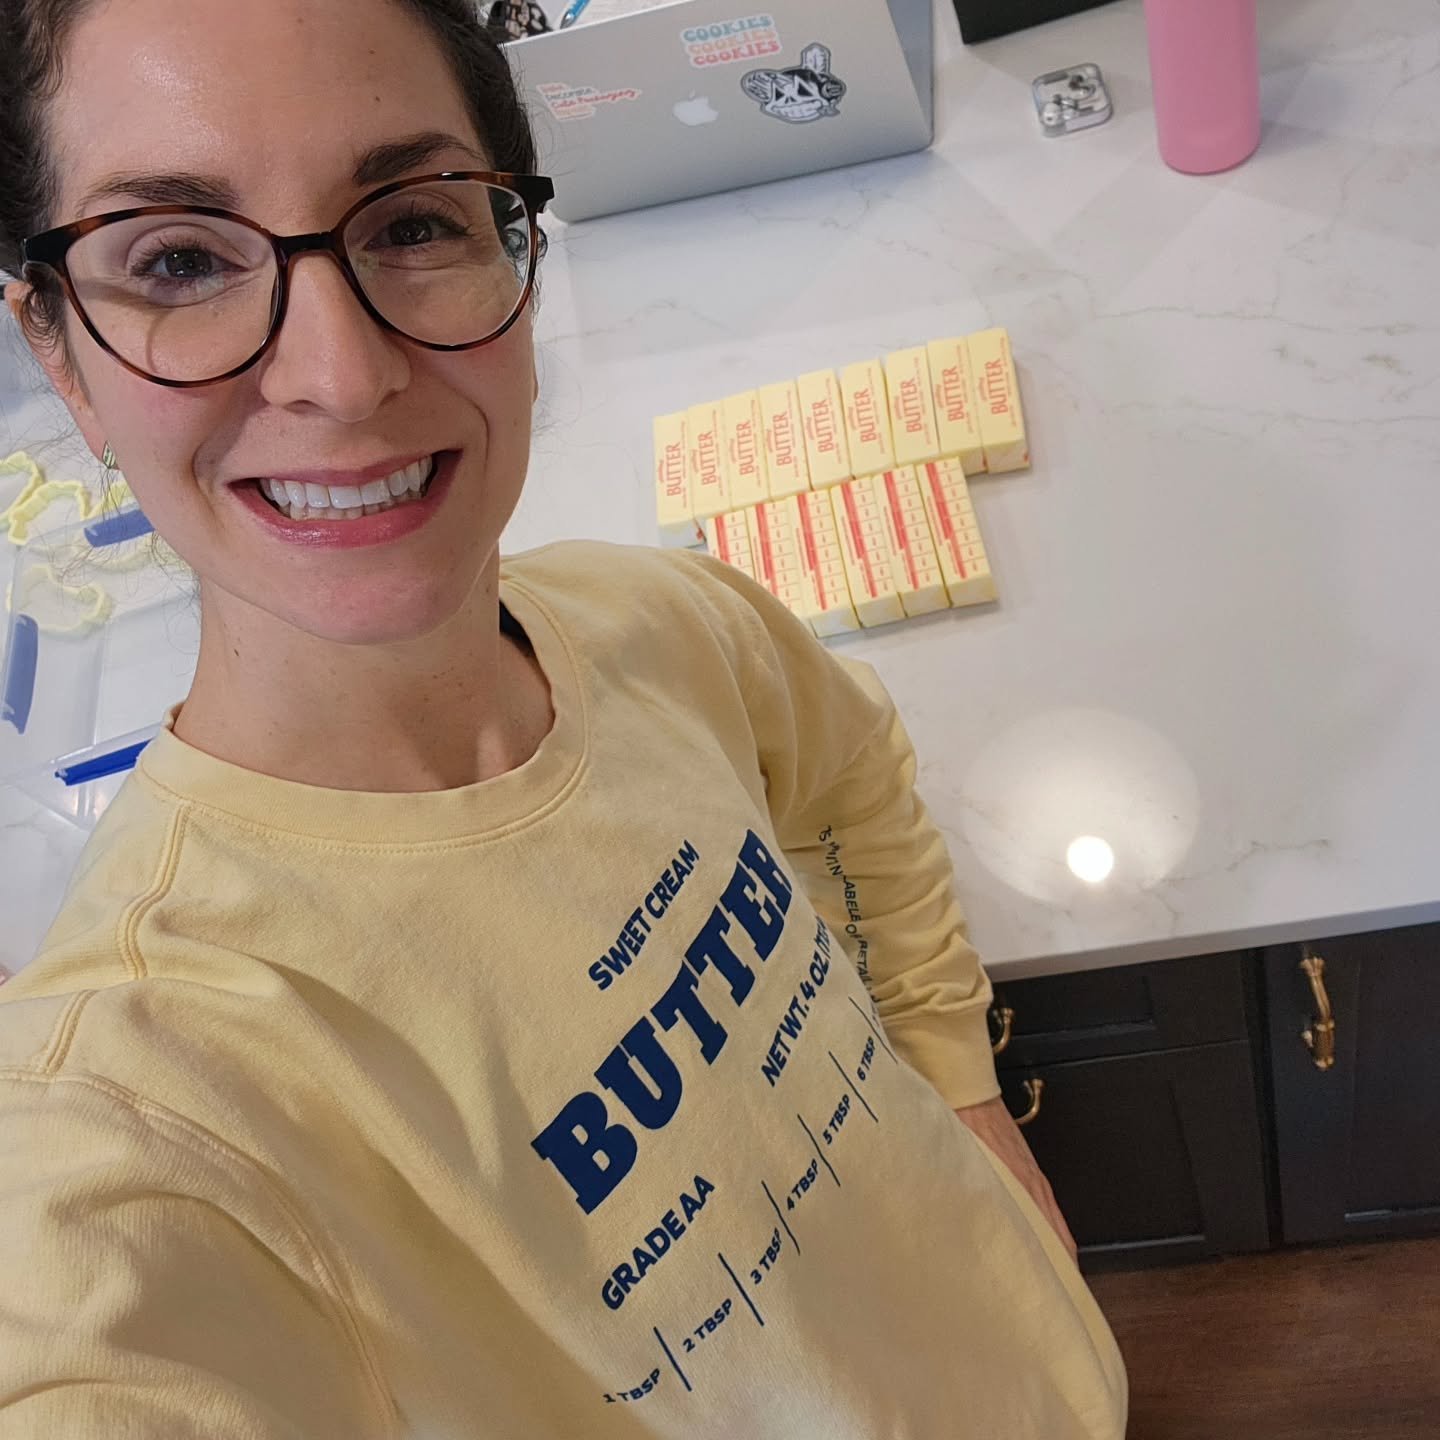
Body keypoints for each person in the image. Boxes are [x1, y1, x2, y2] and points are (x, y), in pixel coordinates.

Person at [0, 0, 1127, 1435]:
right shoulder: (136, 1095)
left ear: (514, 246)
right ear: (58, 347)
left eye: (411, 224)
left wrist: (964, 1097)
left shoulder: (654, 624)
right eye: (175, 260)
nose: (341, 378)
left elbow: (852, 774)